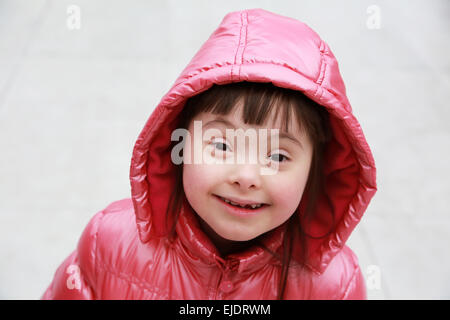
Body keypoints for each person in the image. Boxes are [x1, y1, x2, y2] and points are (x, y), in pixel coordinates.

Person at [41, 8, 377, 300]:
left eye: (277, 157)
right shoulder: (109, 244)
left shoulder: (335, 285)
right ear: (180, 144)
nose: (245, 177)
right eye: (221, 146)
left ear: (316, 170)